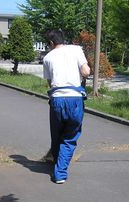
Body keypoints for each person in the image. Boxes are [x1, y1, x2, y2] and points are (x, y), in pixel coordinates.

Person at [43, 29, 90, 184]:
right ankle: (60, 173)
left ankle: (57, 164)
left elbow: (50, 83)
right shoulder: (76, 50)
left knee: (57, 135)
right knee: (70, 136)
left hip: (57, 99)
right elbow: (86, 71)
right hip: (75, 98)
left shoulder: (48, 57)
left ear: (51, 43)